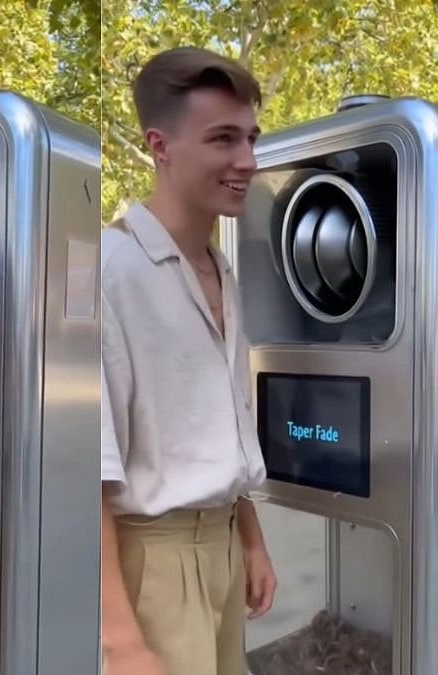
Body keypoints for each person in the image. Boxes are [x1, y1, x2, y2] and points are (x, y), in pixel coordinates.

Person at [100, 47, 279, 675]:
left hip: (223, 546)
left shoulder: (220, 268)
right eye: (223, 138)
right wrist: (121, 642)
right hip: (151, 564)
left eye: (251, 138)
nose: (247, 161)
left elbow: (218, 424)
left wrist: (249, 538)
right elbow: (87, 478)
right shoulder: (104, 271)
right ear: (160, 145)